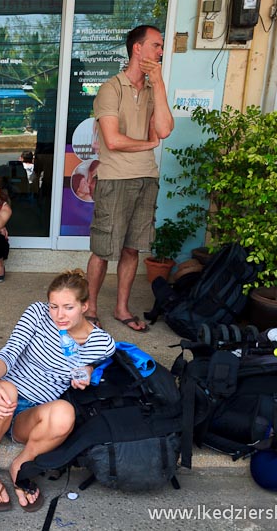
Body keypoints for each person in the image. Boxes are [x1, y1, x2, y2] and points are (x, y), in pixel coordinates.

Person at [0, 269, 115, 512]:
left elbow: (101, 367)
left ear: (85, 306)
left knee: (65, 412)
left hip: (31, 416)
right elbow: (10, 350)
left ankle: (22, 463)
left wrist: (89, 370)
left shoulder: (101, 344)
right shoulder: (37, 313)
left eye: (68, 307)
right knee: (7, 393)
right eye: (53, 306)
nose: (59, 315)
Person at [85, 24, 174, 333]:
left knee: (133, 248)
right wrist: (148, 144)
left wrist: (159, 83)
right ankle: (91, 307)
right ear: (138, 48)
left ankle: (122, 308)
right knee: (103, 248)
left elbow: (163, 130)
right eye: (156, 45)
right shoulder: (111, 88)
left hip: (146, 177)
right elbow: (113, 140)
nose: (160, 51)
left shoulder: (153, 90)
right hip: (115, 178)